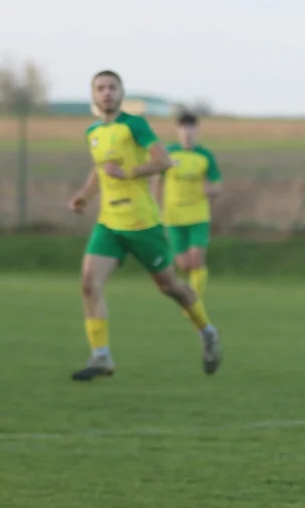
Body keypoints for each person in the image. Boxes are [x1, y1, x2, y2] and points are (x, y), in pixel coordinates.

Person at [67, 70, 222, 380]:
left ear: (121, 93)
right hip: (109, 224)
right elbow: (100, 170)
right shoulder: (93, 132)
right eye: (100, 88)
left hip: (142, 224)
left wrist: (129, 173)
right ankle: (101, 357)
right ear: (93, 96)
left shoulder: (134, 125)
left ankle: (207, 331)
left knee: (170, 287)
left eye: (112, 87)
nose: (107, 93)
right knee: (88, 283)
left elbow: (164, 161)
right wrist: (84, 196)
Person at [152, 112, 223, 301]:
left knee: (196, 259)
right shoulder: (169, 153)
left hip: (198, 215)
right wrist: (156, 207)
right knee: (183, 265)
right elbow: (158, 180)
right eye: (184, 128)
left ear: (196, 130)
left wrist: (211, 190)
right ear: (178, 130)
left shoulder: (205, 156)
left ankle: (194, 302)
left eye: (191, 128)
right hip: (173, 216)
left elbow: (217, 185)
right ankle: (190, 293)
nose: (187, 133)